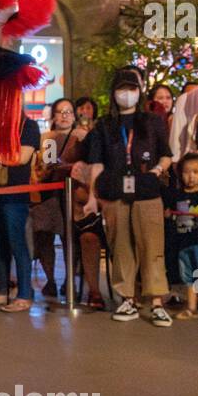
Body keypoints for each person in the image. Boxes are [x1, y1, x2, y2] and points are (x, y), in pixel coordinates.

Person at [82, 68, 173, 326]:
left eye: (132, 89)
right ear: (113, 93)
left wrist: (157, 171)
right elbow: (96, 164)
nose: (127, 94)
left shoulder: (153, 121)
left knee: (152, 246)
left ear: (139, 91)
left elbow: (166, 154)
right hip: (114, 191)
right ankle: (127, 299)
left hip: (147, 191)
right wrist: (93, 196)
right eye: (121, 89)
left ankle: (156, 301)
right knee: (120, 246)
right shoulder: (105, 125)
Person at [0, 112, 40, 312]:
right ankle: (2, 290)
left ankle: (24, 293)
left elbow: (22, 157)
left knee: (17, 242)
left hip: (15, 195)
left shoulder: (28, 126)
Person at [31, 97, 80, 301]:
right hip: (48, 194)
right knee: (45, 236)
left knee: (71, 238)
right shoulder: (47, 138)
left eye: (69, 111)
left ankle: (70, 280)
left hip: (73, 193)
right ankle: (50, 280)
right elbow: (45, 166)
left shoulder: (81, 137)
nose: (65, 115)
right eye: (60, 111)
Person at [163, 152, 198, 321]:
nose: (191, 176)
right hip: (183, 243)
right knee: (190, 275)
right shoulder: (176, 195)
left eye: (195, 172)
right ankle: (192, 306)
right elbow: (170, 215)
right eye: (186, 172)